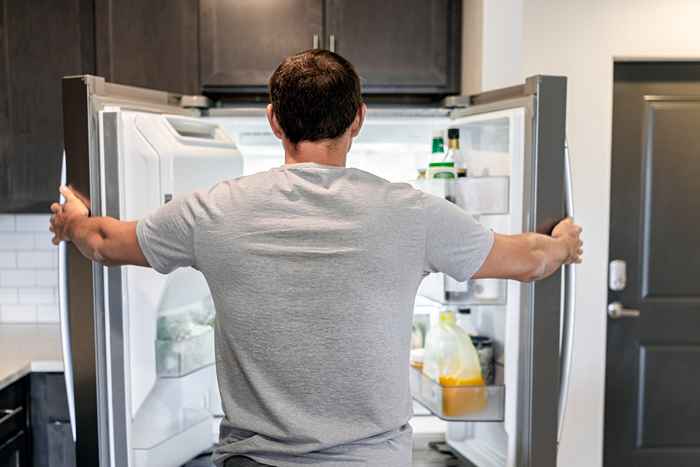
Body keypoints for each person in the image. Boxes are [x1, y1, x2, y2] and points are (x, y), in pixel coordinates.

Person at [50, 50, 582, 467]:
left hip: (254, 462)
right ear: (358, 119)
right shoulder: (413, 213)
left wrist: (71, 217)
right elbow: (528, 259)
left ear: (274, 121)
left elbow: (102, 242)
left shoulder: (215, 210)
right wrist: (563, 242)